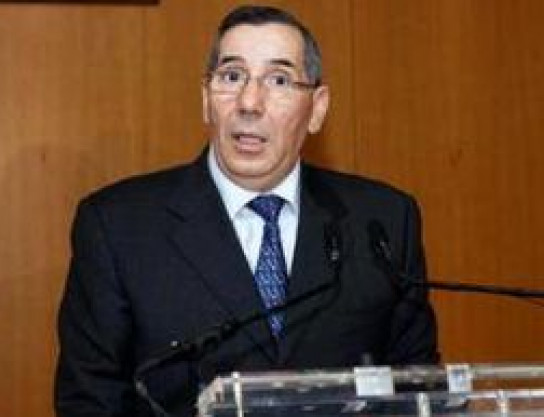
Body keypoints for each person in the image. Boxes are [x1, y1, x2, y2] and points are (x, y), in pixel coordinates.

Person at [54, 5, 439, 417]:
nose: (250, 102)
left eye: (279, 80)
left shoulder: (383, 221)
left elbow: (420, 392)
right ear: (206, 99)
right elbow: (89, 402)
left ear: (317, 108)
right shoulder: (118, 227)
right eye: (232, 76)